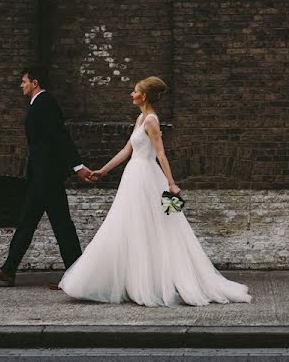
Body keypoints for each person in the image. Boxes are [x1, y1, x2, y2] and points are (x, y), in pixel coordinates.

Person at [58, 76, 251, 307]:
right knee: (130, 226)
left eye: (135, 91)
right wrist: (103, 171)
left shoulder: (151, 121)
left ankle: (149, 284)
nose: (131, 94)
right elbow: (127, 150)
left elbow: (160, 154)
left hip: (147, 178)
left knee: (153, 229)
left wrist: (171, 184)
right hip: (134, 176)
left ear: (144, 96)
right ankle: (132, 282)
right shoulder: (140, 118)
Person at [0, 65, 93, 288]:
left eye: (23, 81)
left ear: (35, 82)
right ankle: (8, 270)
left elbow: (59, 136)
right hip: (41, 176)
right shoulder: (37, 104)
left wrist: (77, 165)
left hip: (48, 177)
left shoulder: (45, 103)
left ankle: (79, 277)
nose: (21, 85)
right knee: (27, 222)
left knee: (61, 225)